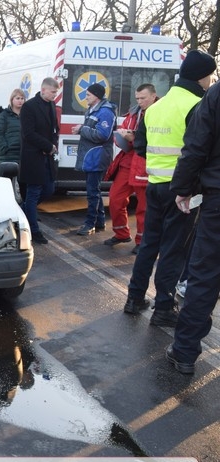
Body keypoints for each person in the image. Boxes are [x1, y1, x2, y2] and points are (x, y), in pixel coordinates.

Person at [123, 49, 217, 329]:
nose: (211, 81)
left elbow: (139, 145)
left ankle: (134, 298)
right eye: (210, 76)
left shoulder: (156, 106)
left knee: (149, 243)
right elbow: (200, 150)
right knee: (174, 250)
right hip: (183, 190)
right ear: (202, 77)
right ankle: (163, 307)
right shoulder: (197, 104)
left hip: (154, 185)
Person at [166, 69, 220, 374]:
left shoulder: (216, 94)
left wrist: (184, 189)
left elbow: (197, 145)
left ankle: (184, 352)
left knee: (204, 278)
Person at [103, 84, 158, 254]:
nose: (140, 101)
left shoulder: (159, 112)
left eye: (143, 98)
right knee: (115, 198)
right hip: (128, 161)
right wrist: (123, 136)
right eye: (138, 98)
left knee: (144, 206)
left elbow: (155, 139)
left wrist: (133, 138)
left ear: (154, 96)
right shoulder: (134, 112)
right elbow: (125, 131)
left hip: (145, 163)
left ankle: (142, 241)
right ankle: (121, 233)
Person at [19, 77, 60, 244]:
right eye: (52, 92)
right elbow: (28, 133)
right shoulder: (29, 107)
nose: (54, 95)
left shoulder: (51, 105)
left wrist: (54, 144)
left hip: (48, 156)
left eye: (56, 93)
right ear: (43, 90)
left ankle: (23, 212)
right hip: (33, 156)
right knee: (34, 192)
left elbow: (53, 129)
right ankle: (34, 230)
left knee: (49, 189)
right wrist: (48, 146)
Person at [73, 82, 116, 236]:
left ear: (96, 96)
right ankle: (99, 222)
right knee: (94, 190)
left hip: (97, 156)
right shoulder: (93, 110)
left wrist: (81, 129)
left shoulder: (105, 112)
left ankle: (90, 224)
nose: (86, 98)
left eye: (88, 95)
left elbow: (102, 135)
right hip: (92, 156)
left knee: (92, 192)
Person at [0, 88, 25, 202]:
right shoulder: (4, 115)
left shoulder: (26, 115)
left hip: (22, 155)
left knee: (20, 187)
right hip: (7, 155)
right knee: (6, 186)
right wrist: (5, 147)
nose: (20, 101)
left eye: (22, 98)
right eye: (17, 98)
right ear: (12, 100)